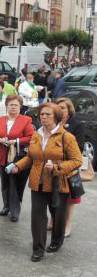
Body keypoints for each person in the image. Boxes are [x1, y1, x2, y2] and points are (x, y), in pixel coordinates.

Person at [11, 103, 82, 262]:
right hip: (38, 181)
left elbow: (77, 160)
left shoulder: (66, 137)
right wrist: (18, 166)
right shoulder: (36, 135)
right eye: (41, 114)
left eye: (47, 114)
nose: (43, 117)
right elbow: (30, 157)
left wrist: (57, 167)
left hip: (59, 183)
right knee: (37, 216)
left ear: (56, 117)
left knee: (58, 215)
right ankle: (38, 249)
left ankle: (57, 241)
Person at [0, 95, 34, 221]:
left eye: (16, 105)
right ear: (7, 106)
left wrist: (16, 141)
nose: (13, 107)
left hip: (17, 157)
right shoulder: (0, 120)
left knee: (15, 184)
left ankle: (15, 211)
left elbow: (31, 137)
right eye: (11, 105)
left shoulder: (26, 120)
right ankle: (6, 206)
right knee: (4, 183)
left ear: (20, 107)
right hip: (2, 156)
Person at [54, 97, 84, 237]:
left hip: (69, 165)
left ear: (69, 110)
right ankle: (54, 221)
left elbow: (80, 147)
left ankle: (67, 224)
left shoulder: (76, 124)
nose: (60, 110)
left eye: (63, 108)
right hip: (53, 165)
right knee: (52, 194)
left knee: (70, 199)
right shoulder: (53, 123)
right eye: (58, 107)